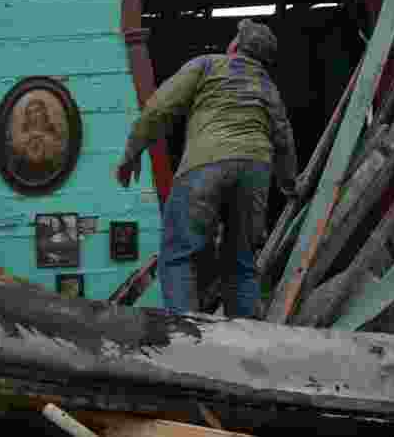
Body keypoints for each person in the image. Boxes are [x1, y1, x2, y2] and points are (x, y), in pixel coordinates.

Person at [115, 19, 298, 319]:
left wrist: (133, 150)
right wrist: (289, 183)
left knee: (178, 256)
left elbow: (160, 107)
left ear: (235, 46)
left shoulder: (208, 65)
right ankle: (248, 344)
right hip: (255, 168)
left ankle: (187, 337)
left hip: (206, 163)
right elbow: (284, 138)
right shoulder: (268, 86)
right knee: (240, 263)